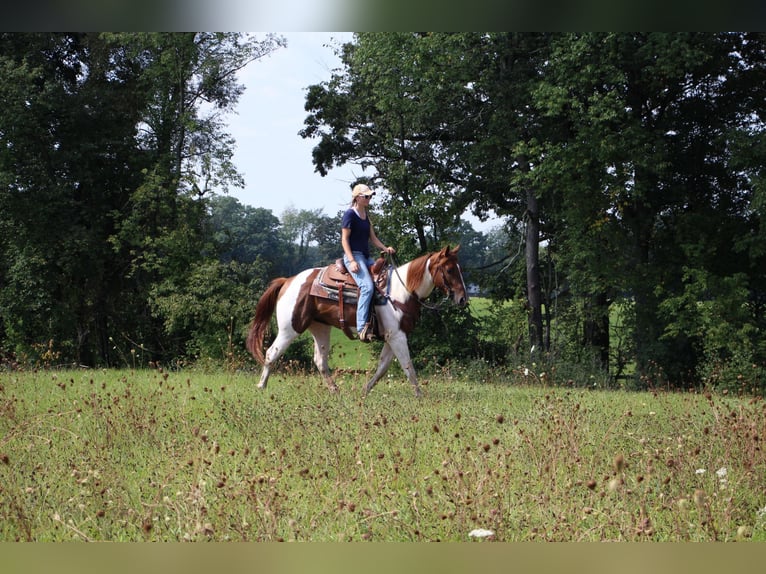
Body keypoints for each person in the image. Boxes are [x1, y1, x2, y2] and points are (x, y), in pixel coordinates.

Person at [341, 183, 395, 342]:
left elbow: (373, 238)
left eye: (370, 196)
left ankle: (380, 322)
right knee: (367, 287)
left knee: (385, 281)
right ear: (357, 197)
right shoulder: (350, 215)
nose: (369, 198)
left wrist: (386, 248)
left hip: (366, 256)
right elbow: (344, 240)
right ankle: (361, 328)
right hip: (354, 256)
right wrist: (351, 260)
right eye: (366, 196)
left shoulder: (366, 215)